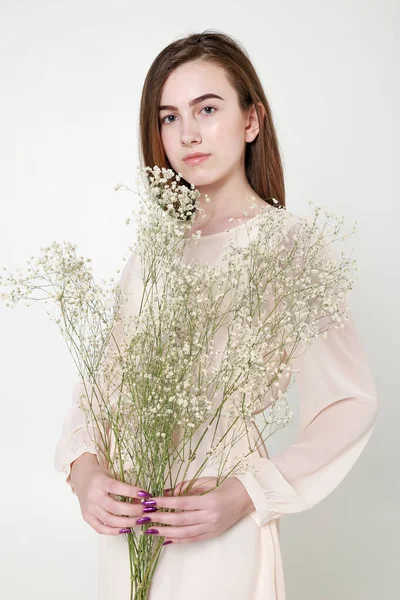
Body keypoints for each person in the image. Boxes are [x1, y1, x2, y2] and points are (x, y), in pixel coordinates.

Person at [54, 30, 378, 600]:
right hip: (128, 521)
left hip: (213, 516)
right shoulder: (153, 250)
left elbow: (349, 402)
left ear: (251, 120)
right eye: (169, 117)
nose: (189, 133)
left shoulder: (290, 248)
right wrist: (84, 474)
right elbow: (102, 384)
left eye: (207, 108)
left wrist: (249, 493)